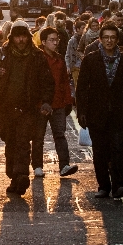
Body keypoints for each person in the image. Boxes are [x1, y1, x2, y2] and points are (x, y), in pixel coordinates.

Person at [0, 20, 55, 197]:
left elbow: (48, 82)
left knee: (23, 141)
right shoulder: (2, 54)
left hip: (28, 107)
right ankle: (13, 175)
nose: (21, 40)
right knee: (9, 139)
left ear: (28, 37)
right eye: (17, 36)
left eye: (24, 36)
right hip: (7, 107)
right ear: (11, 38)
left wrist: (46, 101)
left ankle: (22, 174)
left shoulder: (37, 57)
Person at [75, 22, 123, 199]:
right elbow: (82, 88)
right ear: (100, 40)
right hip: (97, 114)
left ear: (117, 40)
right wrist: (81, 111)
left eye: (112, 37)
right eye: (106, 37)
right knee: (100, 152)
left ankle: (118, 185)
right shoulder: (90, 59)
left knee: (119, 150)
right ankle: (103, 186)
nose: (109, 40)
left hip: (119, 115)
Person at [34, 27, 78, 178]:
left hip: (58, 104)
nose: (55, 43)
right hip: (41, 105)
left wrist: (68, 101)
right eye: (52, 40)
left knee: (60, 134)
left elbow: (65, 82)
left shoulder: (59, 59)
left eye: (56, 40)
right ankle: (37, 166)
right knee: (38, 136)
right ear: (44, 42)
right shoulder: (38, 58)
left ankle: (64, 165)